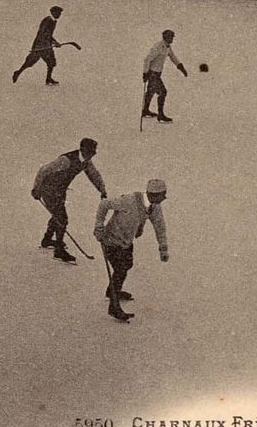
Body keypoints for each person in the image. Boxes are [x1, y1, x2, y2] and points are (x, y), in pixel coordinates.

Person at [94, 179, 170, 323]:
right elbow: (104, 204)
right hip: (110, 239)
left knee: (127, 265)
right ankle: (114, 306)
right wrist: (99, 227)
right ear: (153, 194)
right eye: (163, 194)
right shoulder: (129, 201)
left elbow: (160, 226)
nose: (165, 197)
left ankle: (112, 291)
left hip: (126, 241)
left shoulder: (154, 207)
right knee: (120, 270)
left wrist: (163, 248)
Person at [31, 138, 108, 264]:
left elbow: (94, 175)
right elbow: (43, 170)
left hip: (60, 191)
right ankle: (59, 250)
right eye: (91, 151)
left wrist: (102, 190)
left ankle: (47, 240)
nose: (93, 153)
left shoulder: (86, 162)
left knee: (57, 215)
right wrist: (36, 188)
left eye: (94, 151)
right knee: (62, 218)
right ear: (83, 149)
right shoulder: (65, 160)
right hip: (48, 189)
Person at [142, 29, 188, 123]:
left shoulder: (168, 47)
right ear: (166, 37)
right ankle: (160, 115)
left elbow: (173, 57)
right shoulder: (158, 46)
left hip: (157, 73)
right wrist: (145, 73)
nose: (172, 39)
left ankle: (145, 110)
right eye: (171, 37)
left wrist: (181, 67)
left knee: (151, 91)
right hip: (152, 73)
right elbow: (147, 59)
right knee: (163, 92)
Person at [13, 6, 63, 85]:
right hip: (40, 46)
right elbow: (43, 33)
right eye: (58, 13)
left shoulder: (53, 21)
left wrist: (54, 42)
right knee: (30, 62)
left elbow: (48, 35)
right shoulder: (47, 21)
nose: (59, 14)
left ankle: (48, 79)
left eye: (60, 13)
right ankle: (18, 72)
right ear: (53, 12)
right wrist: (53, 42)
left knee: (51, 62)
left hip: (46, 45)